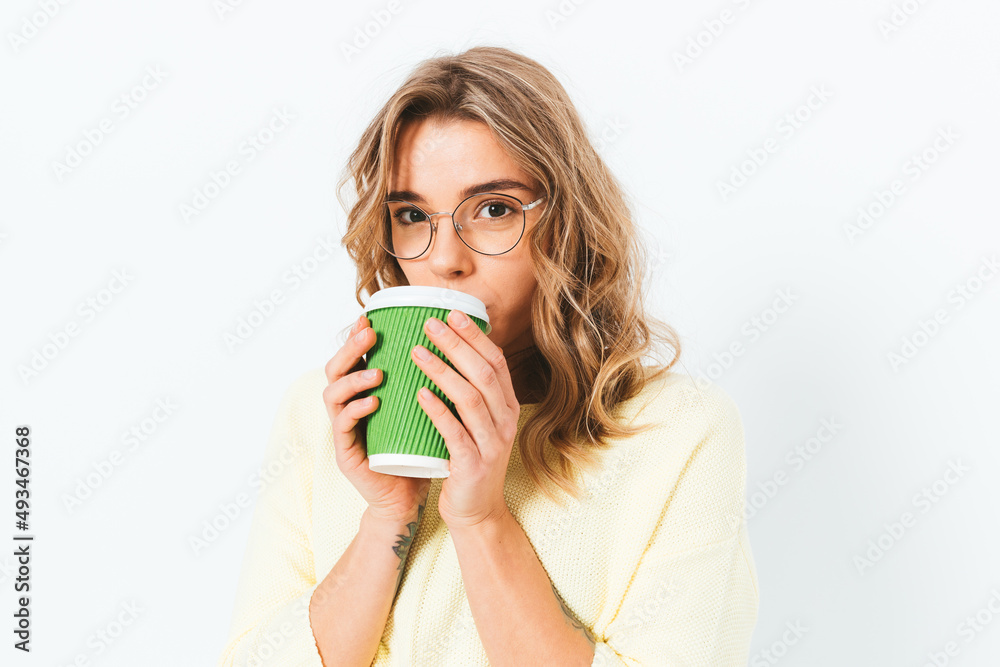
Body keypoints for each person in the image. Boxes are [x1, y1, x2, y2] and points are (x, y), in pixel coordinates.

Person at [217, 46, 759, 667]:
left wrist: (481, 521)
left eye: (494, 209)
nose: (445, 258)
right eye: (412, 215)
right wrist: (389, 515)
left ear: (568, 222)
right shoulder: (323, 414)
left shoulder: (678, 432)